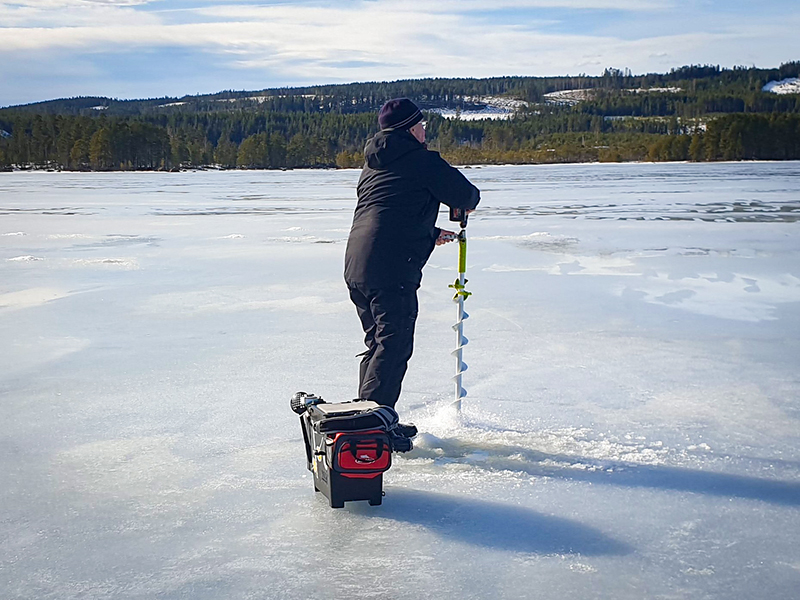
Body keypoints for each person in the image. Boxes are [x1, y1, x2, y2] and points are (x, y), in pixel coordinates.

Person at [344, 98, 480, 414]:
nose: (424, 132)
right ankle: (373, 425)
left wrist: (430, 234)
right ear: (412, 128)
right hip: (391, 269)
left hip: (357, 264)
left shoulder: (373, 165)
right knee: (393, 345)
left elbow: (388, 210)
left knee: (378, 343)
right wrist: (464, 204)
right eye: (422, 126)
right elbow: (466, 194)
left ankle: (369, 418)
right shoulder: (420, 160)